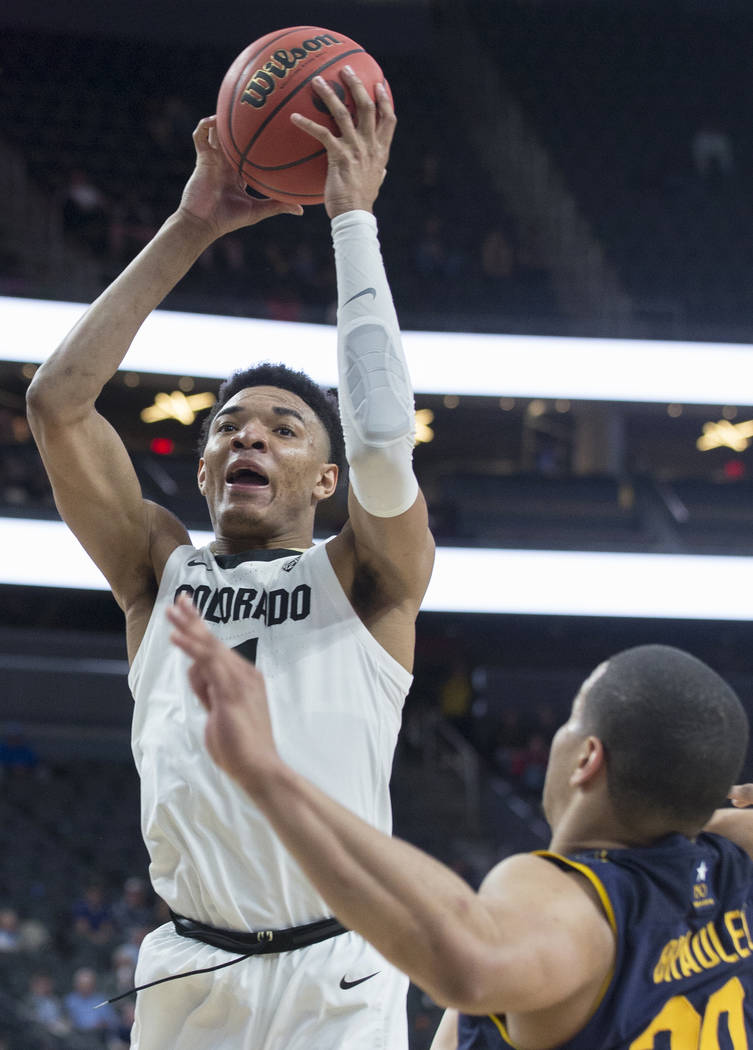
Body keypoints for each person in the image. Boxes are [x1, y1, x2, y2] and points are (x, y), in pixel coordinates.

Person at [27, 68, 434, 1050]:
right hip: (189, 972)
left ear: (327, 482)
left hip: (339, 972)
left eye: (285, 429)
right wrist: (193, 224)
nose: (248, 439)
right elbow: (55, 406)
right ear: (203, 465)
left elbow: (383, 441)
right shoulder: (154, 565)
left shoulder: (366, 580)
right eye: (228, 427)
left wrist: (352, 223)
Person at [166, 594, 753, 1050]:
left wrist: (270, 775)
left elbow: (470, 962)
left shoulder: (575, 902)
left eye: (571, 721)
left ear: (587, 759)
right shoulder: (734, 863)